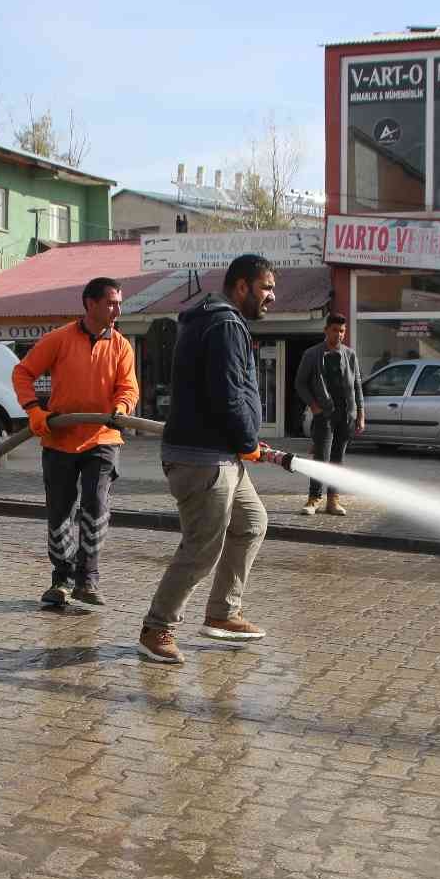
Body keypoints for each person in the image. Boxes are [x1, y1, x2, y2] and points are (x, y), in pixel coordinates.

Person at [140, 254, 276, 665]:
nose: (272, 296)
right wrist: (247, 439)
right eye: (266, 287)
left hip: (223, 454)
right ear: (241, 287)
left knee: (252, 522)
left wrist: (243, 444)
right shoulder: (224, 325)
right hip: (204, 459)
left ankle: (222, 613)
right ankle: (156, 628)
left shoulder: (215, 321)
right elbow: (229, 393)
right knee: (202, 548)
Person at [11, 278, 139, 609]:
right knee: (60, 510)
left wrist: (120, 409)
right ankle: (62, 579)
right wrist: (34, 411)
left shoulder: (121, 346)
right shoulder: (59, 339)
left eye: (119, 302)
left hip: (103, 437)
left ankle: (88, 579)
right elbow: (23, 373)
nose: (117, 309)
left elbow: (128, 388)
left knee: (96, 506)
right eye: (111, 302)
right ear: (90, 304)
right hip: (59, 437)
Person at [294, 313, 365, 516]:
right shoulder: (312, 354)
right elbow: (300, 383)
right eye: (335, 330)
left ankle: (333, 500)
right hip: (324, 415)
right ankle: (314, 499)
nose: (339, 334)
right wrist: (313, 405)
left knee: (337, 460)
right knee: (321, 458)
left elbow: (358, 385)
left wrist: (360, 414)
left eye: (342, 331)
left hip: (346, 415)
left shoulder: (350, 354)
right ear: (326, 330)